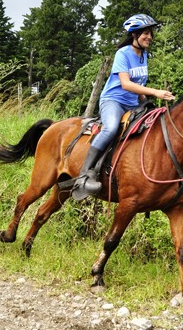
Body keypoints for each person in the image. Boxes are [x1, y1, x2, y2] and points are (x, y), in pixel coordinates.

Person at [72, 14, 175, 200]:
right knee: (111, 128)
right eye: (145, 33)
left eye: (151, 34)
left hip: (134, 104)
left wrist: (147, 104)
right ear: (134, 35)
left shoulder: (144, 55)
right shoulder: (123, 54)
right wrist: (156, 92)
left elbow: (139, 84)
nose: (149, 37)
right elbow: (126, 84)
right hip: (113, 101)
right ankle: (84, 173)